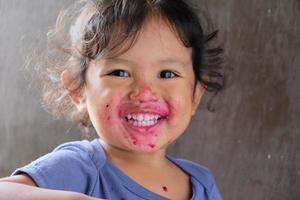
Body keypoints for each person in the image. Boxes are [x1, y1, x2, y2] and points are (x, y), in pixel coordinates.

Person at [0, 0, 224, 199]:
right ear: (78, 90)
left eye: (167, 74)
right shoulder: (81, 168)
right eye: (119, 72)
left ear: (195, 95)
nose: (145, 93)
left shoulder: (202, 184)